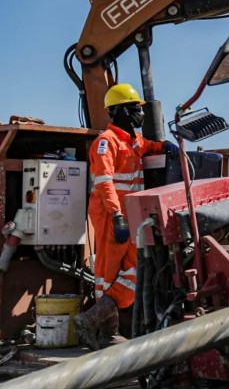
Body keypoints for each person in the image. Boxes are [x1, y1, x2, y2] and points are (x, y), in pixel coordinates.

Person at [73, 83, 178, 350]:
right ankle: (106, 333)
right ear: (119, 111)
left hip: (130, 216)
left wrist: (165, 146)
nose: (139, 115)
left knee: (134, 270)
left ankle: (91, 320)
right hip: (112, 217)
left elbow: (149, 146)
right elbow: (104, 182)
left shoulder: (132, 141)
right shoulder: (105, 143)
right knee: (107, 275)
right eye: (135, 109)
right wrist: (117, 215)